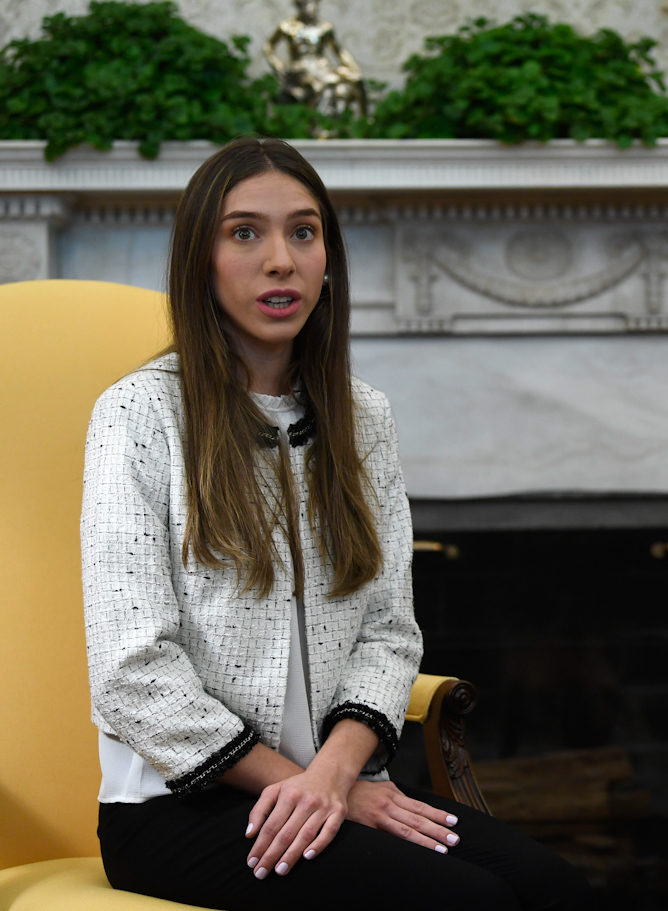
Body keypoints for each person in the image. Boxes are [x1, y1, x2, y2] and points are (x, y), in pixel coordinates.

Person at [82, 137, 595, 911]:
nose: (281, 260)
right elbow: (131, 672)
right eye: (244, 232)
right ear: (200, 260)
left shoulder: (365, 418)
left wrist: (338, 776)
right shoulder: (139, 413)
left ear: (328, 259)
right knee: (467, 902)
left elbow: (389, 630)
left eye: (304, 231)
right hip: (178, 810)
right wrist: (319, 789)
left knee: (555, 887)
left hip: (338, 781)